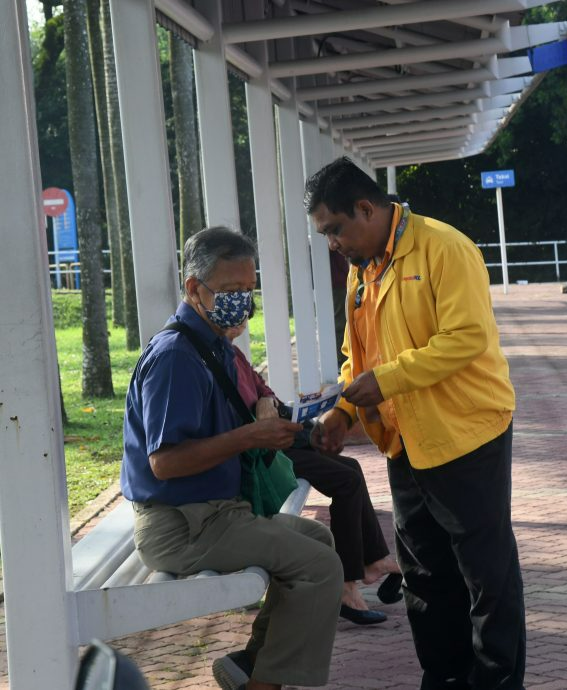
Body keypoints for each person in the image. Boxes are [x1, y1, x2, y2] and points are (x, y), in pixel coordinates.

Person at [305, 157, 526, 690]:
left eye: (336, 229)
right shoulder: (363, 272)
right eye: (326, 235)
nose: (334, 244)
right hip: (405, 445)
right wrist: (344, 410)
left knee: (486, 578)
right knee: (425, 579)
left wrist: (385, 381)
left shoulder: (444, 247)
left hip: (466, 434)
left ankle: (496, 682)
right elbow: (356, 357)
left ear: (366, 207)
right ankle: (444, 679)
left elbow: (465, 337)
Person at [120, 226, 343, 690]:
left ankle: (250, 665)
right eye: (229, 291)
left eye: (248, 290)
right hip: (182, 526)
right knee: (318, 570)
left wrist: (265, 412)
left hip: (217, 515)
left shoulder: (214, 344)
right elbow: (164, 463)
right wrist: (249, 436)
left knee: (318, 544)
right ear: (193, 289)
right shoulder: (177, 357)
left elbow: (246, 399)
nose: (241, 301)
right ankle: (264, 684)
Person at [223, 308, 403, 625]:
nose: (241, 323)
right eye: (237, 318)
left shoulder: (231, 352)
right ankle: (347, 586)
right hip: (263, 453)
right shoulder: (213, 360)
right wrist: (265, 409)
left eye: (244, 317)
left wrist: (267, 402)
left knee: (351, 470)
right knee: (345, 480)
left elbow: (261, 390)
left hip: (278, 440)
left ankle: (373, 561)